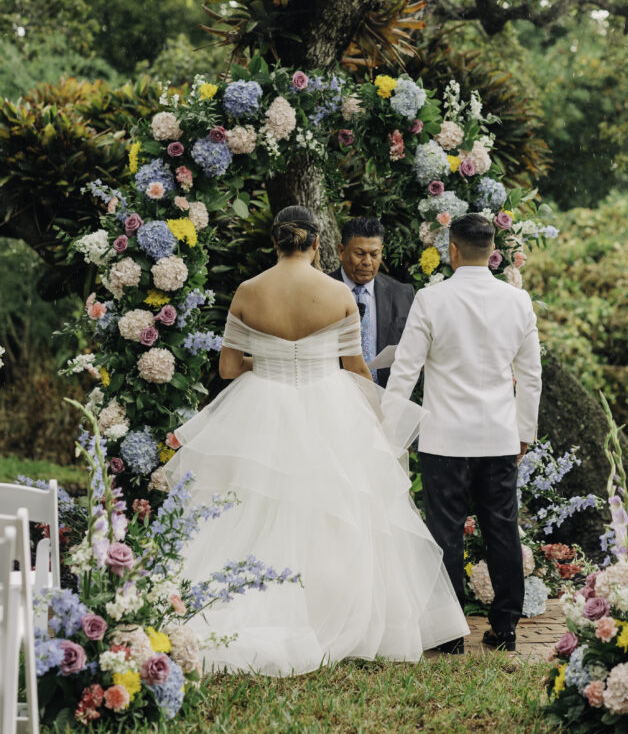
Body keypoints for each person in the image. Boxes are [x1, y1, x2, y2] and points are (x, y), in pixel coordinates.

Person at [163, 205, 468, 675]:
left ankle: (237, 608)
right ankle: (332, 612)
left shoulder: (247, 291)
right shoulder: (335, 293)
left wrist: (264, 365)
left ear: (275, 242)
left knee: (250, 507)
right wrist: (381, 420)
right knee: (336, 510)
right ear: (318, 246)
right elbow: (355, 368)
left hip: (261, 405)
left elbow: (226, 369)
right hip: (331, 406)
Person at [382, 213, 543, 653]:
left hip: (444, 438)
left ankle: (450, 633)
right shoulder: (518, 301)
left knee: (445, 533)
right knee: (503, 529)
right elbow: (530, 377)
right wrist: (523, 431)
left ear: (452, 250)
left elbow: (405, 371)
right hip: (498, 436)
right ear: (492, 251)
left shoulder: (432, 300)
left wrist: (390, 432)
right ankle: (506, 628)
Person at [329, 217, 414, 385]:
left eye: (374, 254)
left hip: (388, 401)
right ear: (341, 251)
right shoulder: (321, 291)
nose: (367, 262)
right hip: (335, 399)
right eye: (359, 254)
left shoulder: (402, 293)